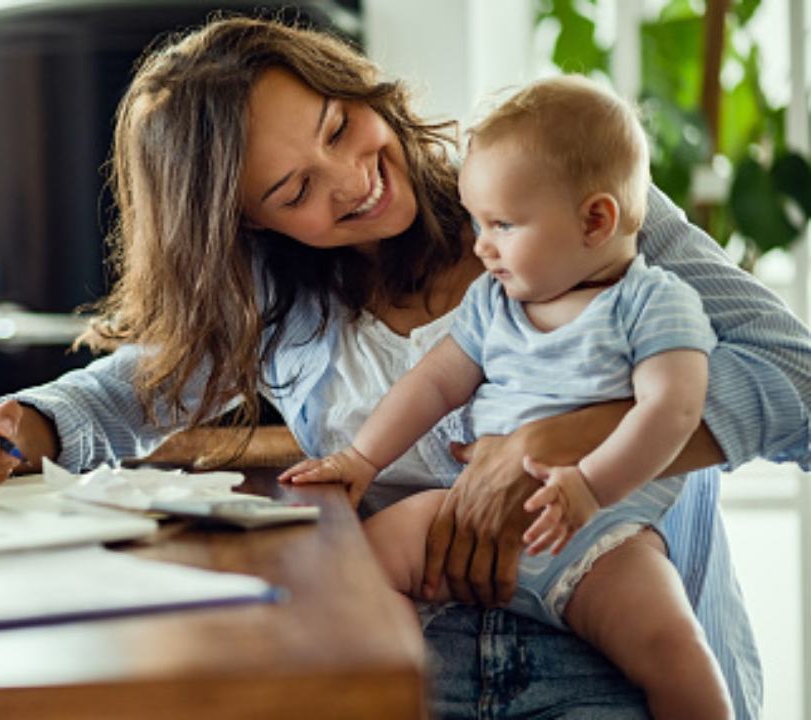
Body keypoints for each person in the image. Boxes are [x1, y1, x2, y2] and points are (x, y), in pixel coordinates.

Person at [0, 16, 811, 718]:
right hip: (417, 663)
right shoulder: (282, 298)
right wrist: (16, 428)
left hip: (617, 658)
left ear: (357, 88)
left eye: (341, 128)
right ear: (251, 226)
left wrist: (560, 439)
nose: (351, 180)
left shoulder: (559, 196)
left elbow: (798, 383)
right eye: (295, 191)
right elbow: (131, 390)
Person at [281, 75, 729, 718]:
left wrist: (591, 486)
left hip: (602, 539)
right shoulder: (495, 302)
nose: (481, 244)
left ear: (594, 220)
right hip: (467, 514)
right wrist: (361, 460)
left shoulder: (651, 303)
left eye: (502, 224)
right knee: (360, 566)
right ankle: (404, 694)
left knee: (675, 649)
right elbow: (434, 383)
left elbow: (674, 411)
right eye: (475, 221)